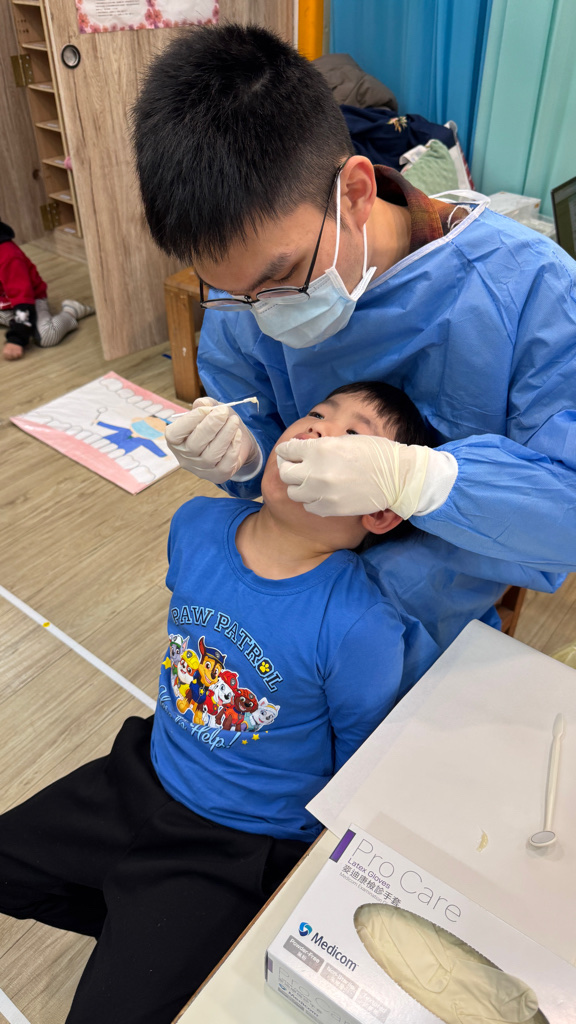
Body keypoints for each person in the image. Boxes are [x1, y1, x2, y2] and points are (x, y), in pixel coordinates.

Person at [132, 24, 576, 674]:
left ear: (357, 192)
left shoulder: (531, 290)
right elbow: (253, 417)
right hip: (288, 599)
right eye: (235, 294)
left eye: (283, 276)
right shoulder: (246, 295)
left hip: (426, 626)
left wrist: (424, 481)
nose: (263, 312)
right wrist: (246, 453)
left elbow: (565, 512)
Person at [0, 381, 431, 1024]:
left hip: (237, 842)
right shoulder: (196, 523)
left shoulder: (361, 625)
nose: (316, 429)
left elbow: (357, 764)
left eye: (352, 435)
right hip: (138, 773)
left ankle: (183, 945)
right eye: (316, 413)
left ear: (381, 515)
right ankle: (142, 931)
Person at [0, 219, 93, 360]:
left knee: (47, 336)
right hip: (5, 302)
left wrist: (16, 339)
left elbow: (23, 300)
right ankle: (22, 323)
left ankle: (71, 311)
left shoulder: (8, 256)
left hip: (29, 300)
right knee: (24, 323)